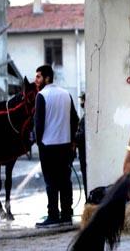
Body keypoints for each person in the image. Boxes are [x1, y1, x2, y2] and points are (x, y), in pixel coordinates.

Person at [34, 65, 79, 228]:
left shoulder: (41, 96)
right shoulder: (66, 94)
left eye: (38, 77)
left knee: (51, 183)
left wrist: (38, 143)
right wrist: (73, 141)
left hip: (48, 146)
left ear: (47, 78)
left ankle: (53, 215)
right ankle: (66, 215)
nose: (35, 80)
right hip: (65, 145)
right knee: (65, 181)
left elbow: (38, 124)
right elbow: (75, 119)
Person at [75, 92, 87, 201]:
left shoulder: (86, 119)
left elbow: (81, 136)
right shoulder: (85, 118)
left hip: (85, 156)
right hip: (84, 155)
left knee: (86, 180)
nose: (81, 104)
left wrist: (74, 137)